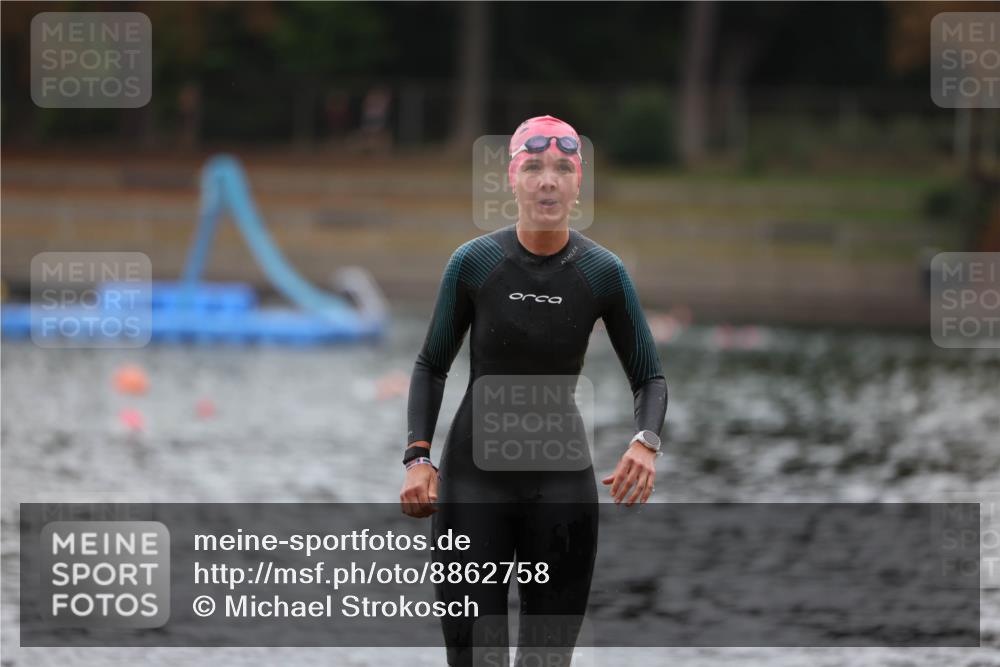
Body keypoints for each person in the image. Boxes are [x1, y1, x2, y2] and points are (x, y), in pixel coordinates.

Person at [399, 115, 667, 666]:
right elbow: (431, 365)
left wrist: (645, 441)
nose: (549, 180)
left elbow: (650, 377)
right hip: (473, 489)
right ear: (512, 179)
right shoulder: (473, 264)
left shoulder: (603, 273)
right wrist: (417, 458)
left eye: (563, 168)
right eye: (536, 167)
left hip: (561, 492)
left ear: (577, 184)